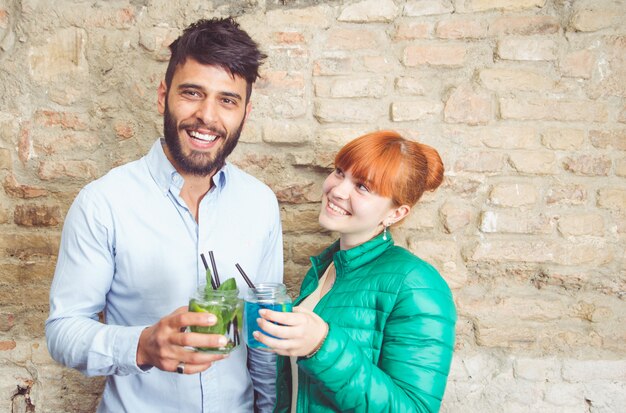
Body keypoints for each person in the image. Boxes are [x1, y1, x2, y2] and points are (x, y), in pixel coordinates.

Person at [45, 18, 283, 412]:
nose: (207, 116)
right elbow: (63, 330)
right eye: (192, 93)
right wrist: (140, 344)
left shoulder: (261, 203)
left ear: (245, 112)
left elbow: (263, 333)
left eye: (227, 100)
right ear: (163, 96)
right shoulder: (103, 202)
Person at [254, 131, 457, 412]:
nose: (337, 190)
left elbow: (416, 409)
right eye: (339, 172)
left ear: (396, 213)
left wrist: (321, 346)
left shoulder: (417, 284)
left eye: (362, 186)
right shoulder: (324, 269)